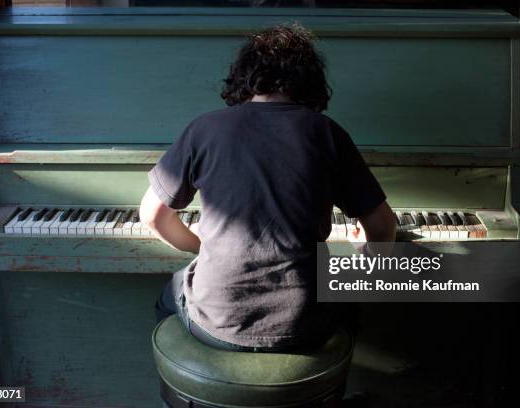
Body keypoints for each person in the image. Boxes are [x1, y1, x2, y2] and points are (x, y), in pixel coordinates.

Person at [140, 23, 395, 352]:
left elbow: (152, 216)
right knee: (349, 303)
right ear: (309, 79)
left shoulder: (204, 128)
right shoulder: (327, 133)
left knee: (167, 300)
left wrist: (200, 247)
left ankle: (189, 394)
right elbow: (382, 224)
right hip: (304, 325)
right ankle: (323, 393)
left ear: (246, 75)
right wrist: (365, 261)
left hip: (215, 322)